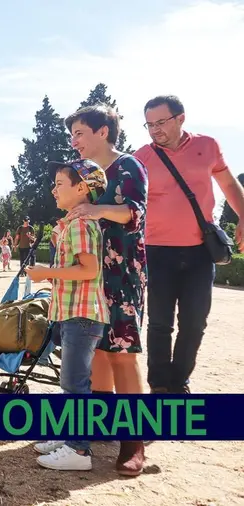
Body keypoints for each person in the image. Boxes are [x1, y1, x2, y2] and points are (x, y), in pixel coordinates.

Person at [134, 95, 244, 395]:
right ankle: (159, 384)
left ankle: (179, 380)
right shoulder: (141, 156)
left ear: (180, 118)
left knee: (195, 323)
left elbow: (229, 183)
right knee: (159, 324)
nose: (154, 130)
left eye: (161, 122)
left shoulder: (207, 146)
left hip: (199, 252)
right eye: (149, 124)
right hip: (156, 251)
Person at [61, 104, 149, 475]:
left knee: (122, 354)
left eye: (79, 133)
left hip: (122, 272)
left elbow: (134, 212)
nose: (74, 141)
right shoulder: (86, 173)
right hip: (91, 274)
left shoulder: (128, 165)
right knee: (95, 349)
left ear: (103, 132)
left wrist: (95, 211)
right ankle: (95, 427)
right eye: (72, 135)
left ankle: (134, 444)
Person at [27, 159, 109, 471]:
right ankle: (69, 436)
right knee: (70, 381)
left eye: (60, 184)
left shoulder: (80, 225)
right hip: (76, 313)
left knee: (75, 383)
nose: (53, 189)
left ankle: (79, 450)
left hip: (82, 315)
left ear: (81, 188)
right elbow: (76, 271)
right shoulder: (73, 225)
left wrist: (48, 271)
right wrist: (51, 275)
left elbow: (89, 269)